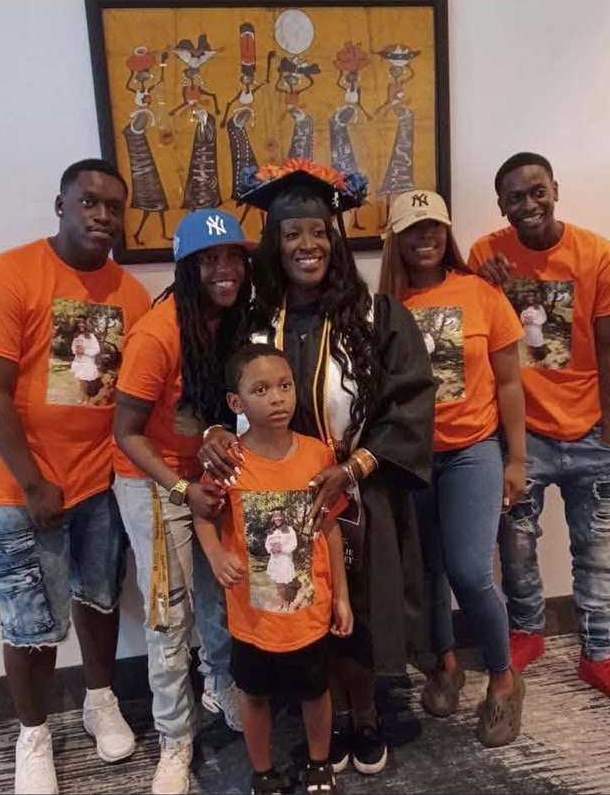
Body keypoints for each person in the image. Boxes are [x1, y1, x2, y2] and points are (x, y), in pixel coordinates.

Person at [198, 158, 436, 775]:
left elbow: (408, 403)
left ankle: (364, 715)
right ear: (274, 247)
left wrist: (354, 468)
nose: (307, 245)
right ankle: (315, 711)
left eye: (318, 231)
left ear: (335, 237)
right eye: (290, 233)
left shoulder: (378, 317)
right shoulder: (254, 325)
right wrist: (218, 431)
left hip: (357, 494)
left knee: (353, 607)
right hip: (273, 499)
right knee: (297, 608)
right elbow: (216, 394)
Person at [0, 158, 152, 795]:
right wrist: (33, 481)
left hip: (100, 482)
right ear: (61, 205)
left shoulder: (132, 295)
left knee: (98, 600)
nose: (101, 216)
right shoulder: (10, 275)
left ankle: (100, 699)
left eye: (113, 207)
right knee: (29, 622)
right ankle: (32, 734)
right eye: (88, 202)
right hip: (19, 488)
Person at [469, 151, 610, 717]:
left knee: (596, 554)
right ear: (501, 204)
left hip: (590, 430)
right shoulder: (486, 254)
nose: (528, 205)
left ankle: (600, 654)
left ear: (555, 190)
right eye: (515, 197)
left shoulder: (599, 255)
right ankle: (527, 631)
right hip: (522, 436)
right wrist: (484, 284)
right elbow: (475, 337)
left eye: (537, 191)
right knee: (517, 547)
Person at [112, 208, 254, 794]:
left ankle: (222, 684)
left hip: (211, 474)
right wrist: (179, 488)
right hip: (154, 480)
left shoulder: (242, 319)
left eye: (232, 258)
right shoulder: (156, 332)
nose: (223, 270)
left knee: (223, 596)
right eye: (208, 260)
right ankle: (174, 738)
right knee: (169, 616)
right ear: (187, 267)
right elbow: (127, 433)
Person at [378, 189, 527, 747]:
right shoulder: (384, 307)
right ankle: (444, 662)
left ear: (447, 232)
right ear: (396, 238)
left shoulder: (481, 294)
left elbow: (510, 382)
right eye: (414, 229)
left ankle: (503, 679)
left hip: (472, 451)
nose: (426, 238)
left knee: (468, 569)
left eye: (434, 226)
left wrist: (516, 459)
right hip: (411, 459)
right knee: (428, 569)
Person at [194, 343, 353, 795]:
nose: (278, 398)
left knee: (315, 691)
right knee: (255, 695)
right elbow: (203, 515)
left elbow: (331, 527)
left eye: (284, 386)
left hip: (310, 613)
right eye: (261, 389)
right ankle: (262, 771)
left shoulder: (318, 455)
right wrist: (215, 554)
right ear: (236, 403)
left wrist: (340, 595)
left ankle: (320, 764)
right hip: (252, 619)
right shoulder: (230, 463)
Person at [264, 509, 298, 610]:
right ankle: (282, 602)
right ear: (273, 518)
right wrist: (271, 549)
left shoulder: (289, 529)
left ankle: (286, 602)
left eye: (279, 516)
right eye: (275, 516)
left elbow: (294, 544)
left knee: (284, 584)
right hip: (275, 561)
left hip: (285, 560)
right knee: (278, 584)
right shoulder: (271, 531)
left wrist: (282, 549)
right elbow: (266, 544)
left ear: (283, 517)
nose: (278, 518)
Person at [70, 318, 101, 403]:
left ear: (86, 325)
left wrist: (85, 351)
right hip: (79, 361)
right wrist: (75, 351)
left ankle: (86, 397)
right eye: (79, 323)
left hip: (88, 361)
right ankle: (82, 396)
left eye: (82, 323)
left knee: (86, 381)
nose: (81, 325)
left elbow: (97, 349)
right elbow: (73, 347)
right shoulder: (76, 336)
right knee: (81, 380)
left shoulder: (91, 336)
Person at [519, 292, 548, 366]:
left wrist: (533, 321)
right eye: (528, 296)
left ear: (535, 298)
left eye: (532, 296)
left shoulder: (539, 307)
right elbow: (522, 317)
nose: (530, 298)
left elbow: (543, 318)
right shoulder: (525, 308)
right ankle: (530, 359)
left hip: (535, 329)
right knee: (528, 345)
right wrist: (524, 320)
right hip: (527, 329)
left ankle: (535, 360)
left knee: (535, 345)